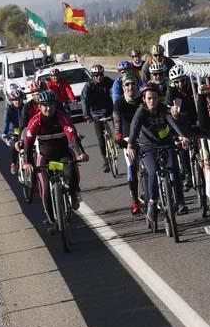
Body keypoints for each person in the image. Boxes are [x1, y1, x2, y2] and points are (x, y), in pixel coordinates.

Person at [21, 89, 89, 231]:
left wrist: (79, 153)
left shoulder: (62, 117)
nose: (48, 108)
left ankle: (73, 194)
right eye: (44, 105)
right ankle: (52, 220)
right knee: (45, 187)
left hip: (63, 154)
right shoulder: (35, 121)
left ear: (55, 105)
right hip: (45, 158)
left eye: (51, 105)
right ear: (39, 106)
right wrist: (27, 162)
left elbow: (72, 137)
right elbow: (27, 143)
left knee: (71, 174)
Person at [127, 83, 189, 221]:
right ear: (144, 99)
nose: (152, 101)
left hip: (165, 144)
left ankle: (180, 202)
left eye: (154, 98)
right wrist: (130, 145)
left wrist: (181, 135)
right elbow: (135, 127)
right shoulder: (141, 111)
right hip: (147, 147)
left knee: (174, 169)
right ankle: (153, 203)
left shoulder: (163, 109)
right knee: (153, 171)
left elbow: (172, 121)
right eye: (149, 98)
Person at [113, 72, 144, 214]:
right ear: (123, 87)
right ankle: (135, 202)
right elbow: (117, 121)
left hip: (145, 135)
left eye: (133, 84)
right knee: (131, 165)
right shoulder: (119, 102)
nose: (130, 87)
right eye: (127, 84)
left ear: (137, 85)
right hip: (127, 138)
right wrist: (118, 136)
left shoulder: (144, 98)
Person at [81, 64, 115, 172]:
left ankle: (120, 140)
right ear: (92, 76)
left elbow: (116, 93)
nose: (98, 77)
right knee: (100, 138)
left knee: (119, 124)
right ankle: (105, 161)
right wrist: (87, 115)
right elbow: (84, 100)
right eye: (96, 75)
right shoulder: (88, 86)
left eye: (100, 75)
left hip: (110, 110)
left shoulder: (108, 82)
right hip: (96, 114)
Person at [1, 85, 25, 174]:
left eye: (19, 99)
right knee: (13, 145)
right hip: (14, 131)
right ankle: (14, 163)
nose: (17, 102)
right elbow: (6, 121)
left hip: (25, 130)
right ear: (11, 101)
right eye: (15, 100)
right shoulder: (9, 109)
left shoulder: (26, 107)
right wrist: (4, 133)